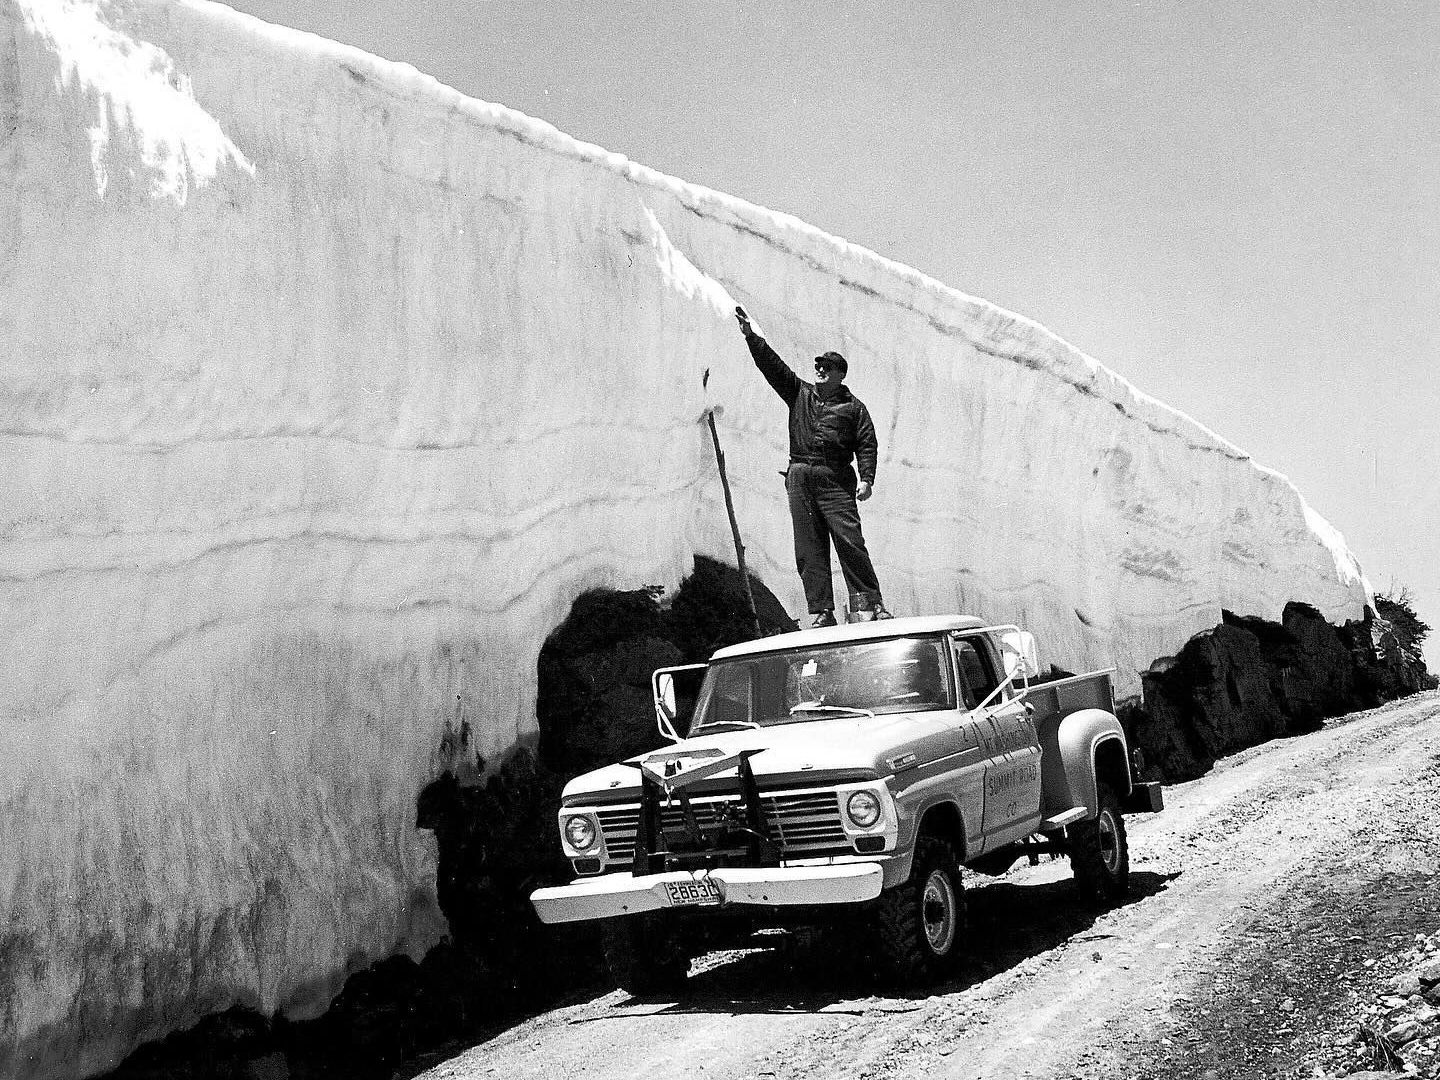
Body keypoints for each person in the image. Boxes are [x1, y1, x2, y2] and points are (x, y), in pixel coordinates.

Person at [734, 306, 892, 627]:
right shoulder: (800, 394)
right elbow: (773, 368)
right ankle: (822, 611)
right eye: (818, 364)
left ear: (840, 374)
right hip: (800, 477)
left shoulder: (854, 409)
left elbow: (866, 444)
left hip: (835, 480)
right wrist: (752, 337)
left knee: (849, 541)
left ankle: (870, 604)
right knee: (809, 548)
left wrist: (867, 479)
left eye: (827, 366)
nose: (819, 369)